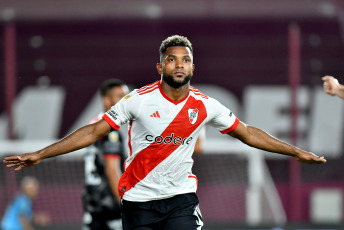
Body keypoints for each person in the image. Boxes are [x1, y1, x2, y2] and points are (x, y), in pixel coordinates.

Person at [4, 35, 326, 230]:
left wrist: (296, 151)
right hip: (138, 201)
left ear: (193, 68)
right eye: (171, 60)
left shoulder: (205, 105)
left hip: (180, 201)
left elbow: (248, 133)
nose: (179, 65)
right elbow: (92, 132)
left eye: (185, 60)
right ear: (160, 67)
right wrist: (41, 154)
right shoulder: (137, 101)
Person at [82, 79, 128, 230]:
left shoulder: (93, 125)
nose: (125, 100)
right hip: (110, 207)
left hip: (92, 205)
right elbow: (111, 170)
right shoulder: (109, 132)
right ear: (106, 100)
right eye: (120, 96)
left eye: (126, 96)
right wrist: (125, 204)